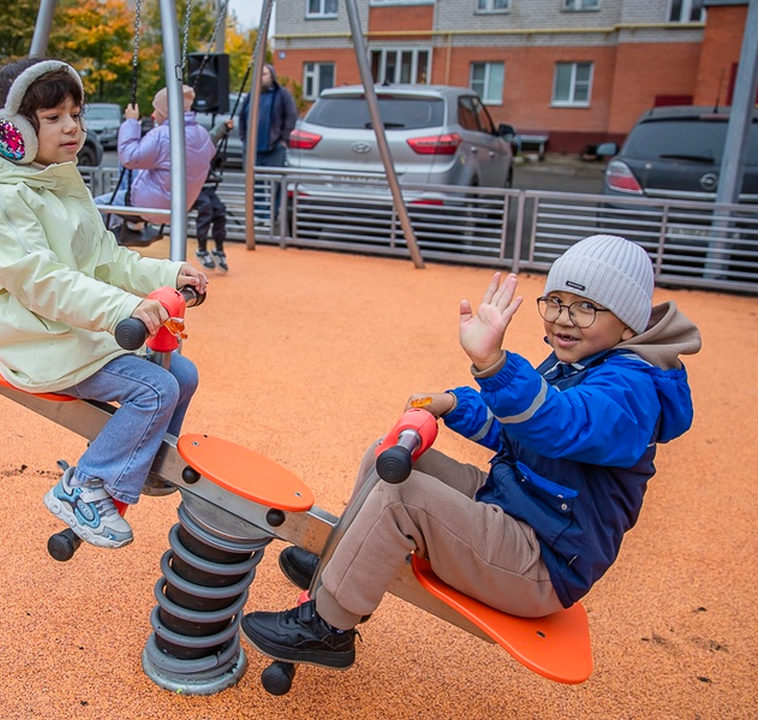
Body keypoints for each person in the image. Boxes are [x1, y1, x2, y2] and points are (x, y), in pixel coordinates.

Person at [240, 234, 701, 670]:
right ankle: (342, 560)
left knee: (405, 497)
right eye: (557, 301)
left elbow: (560, 424)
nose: (563, 318)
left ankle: (328, 626)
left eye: (586, 308)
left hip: (544, 561)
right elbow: (517, 432)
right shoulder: (578, 361)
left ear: (627, 324)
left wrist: (494, 365)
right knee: (390, 459)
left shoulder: (633, 390)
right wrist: (456, 403)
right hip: (517, 506)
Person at [0, 58, 209, 550]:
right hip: (37, 339)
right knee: (154, 389)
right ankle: (83, 487)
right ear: (15, 131)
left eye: (76, 113)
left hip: (74, 330)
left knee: (184, 375)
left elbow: (107, 259)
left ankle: (143, 464)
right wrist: (121, 311)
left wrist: (168, 272)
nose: (72, 126)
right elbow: (44, 282)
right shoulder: (5, 199)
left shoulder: (58, 181)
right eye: (53, 118)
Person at [115, 84, 216, 242]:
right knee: (135, 165)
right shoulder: (202, 133)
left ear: (167, 112)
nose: (154, 114)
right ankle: (133, 226)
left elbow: (129, 157)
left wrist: (131, 122)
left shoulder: (163, 135)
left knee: (95, 206)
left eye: (157, 110)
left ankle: (126, 230)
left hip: (151, 205)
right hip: (182, 204)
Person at [238, 64, 297, 225]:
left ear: (271, 76)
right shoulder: (251, 96)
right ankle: (258, 215)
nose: (261, 77)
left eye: (264, 74)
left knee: (274, 183)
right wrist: (244, 138)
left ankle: (271, 216)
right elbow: (242, 116)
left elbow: (291, 116)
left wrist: (284, 138)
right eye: (259, 74)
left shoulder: (281, 95)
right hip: (252, 149)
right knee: (254, 183)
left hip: (274, 147)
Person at [193, 117, 234, 272]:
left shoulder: (203, 143)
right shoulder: (184, 146)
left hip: (206, 187)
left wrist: (224, 126)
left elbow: (214, 136)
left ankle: (218, 248)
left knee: (220, 211)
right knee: (206, 208)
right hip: (192, 187)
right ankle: (201, 249)